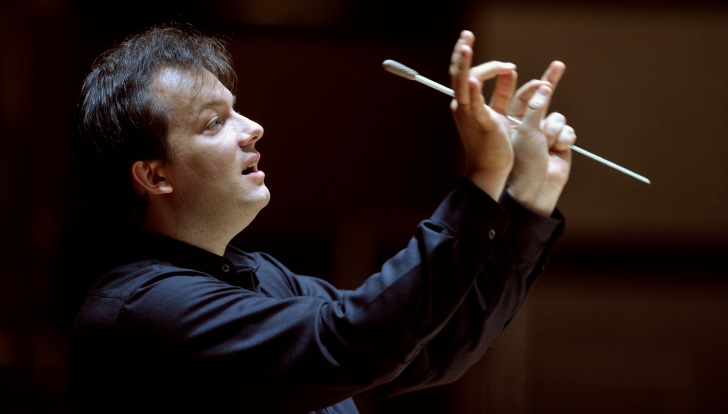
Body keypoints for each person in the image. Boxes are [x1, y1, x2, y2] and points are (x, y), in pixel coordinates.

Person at [69, 22, 575, 414]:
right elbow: (358, 340)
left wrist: (527, 198)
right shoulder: (142, 311)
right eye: (214, 122)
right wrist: (483, 176)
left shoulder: (263, 275)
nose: (253, 129)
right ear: (155, 176)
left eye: (236, 109)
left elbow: (432, 347)